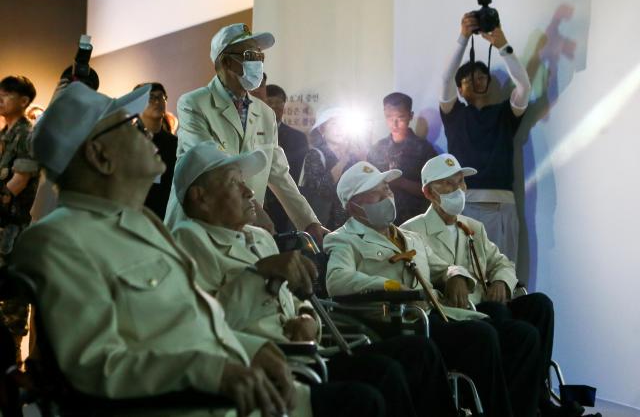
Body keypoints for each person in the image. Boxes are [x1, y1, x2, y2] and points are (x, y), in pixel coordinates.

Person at [11, 82, 384, 417]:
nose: (148, 133)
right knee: (367, 399)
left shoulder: (144, 225)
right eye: (133, 126)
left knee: (377, 390)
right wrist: (215, 371)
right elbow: (93, 366)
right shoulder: (59, 240)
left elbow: (192, 326)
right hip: (202, 403)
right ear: (99, 155)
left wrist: (251, 349)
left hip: (248, 393)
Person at [171, 141, 459, 417]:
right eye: (234, 183)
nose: (249, 191)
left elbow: (299, 300)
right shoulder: (188, 241)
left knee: (417, 352)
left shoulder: (259, 238)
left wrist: (308, 318)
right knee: (379, 382)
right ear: (201, 197)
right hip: (268, 363)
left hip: (309, 349)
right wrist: (257, 275)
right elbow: (206, 325)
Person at [324, 161, 546, 417]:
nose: (387, 195)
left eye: (387, 188)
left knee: (521, 335)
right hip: (397, 322)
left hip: (432, 315)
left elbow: (441, 267)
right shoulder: (344, 238)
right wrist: (387, 286)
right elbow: (337, 280)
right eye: (376, 192)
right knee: (481, 336)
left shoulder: (408, 238)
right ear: (354, 204)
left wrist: (455, 274)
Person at [401, 153, 578, 417]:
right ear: (428, 192)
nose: (458, 189)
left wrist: (501, 282)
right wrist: (455, 274)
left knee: (540, 304)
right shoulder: (412, 231)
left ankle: (537, 395)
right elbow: (430, 270)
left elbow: (502, 262)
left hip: (487, 305)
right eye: (448, 184)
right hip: (458, 314)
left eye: (461, 182)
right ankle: (522, 407)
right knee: (515, 328)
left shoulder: (473, 227)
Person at [164, 23, 327, 244]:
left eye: (260, 56)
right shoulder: (194, 103)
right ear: (226, 61)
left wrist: (309, 222)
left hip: (244, 226)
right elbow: (212, 166)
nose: (258, 62)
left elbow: (278, 172)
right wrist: (255, 210)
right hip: (199, 224)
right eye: (250, 55)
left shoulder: (265, 113)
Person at [440, 13, 532, 262]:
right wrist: (462, 38)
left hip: (503, 204)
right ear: (459, 89)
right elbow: (445, 79)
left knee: (503, 277)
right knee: (464, 277)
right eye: (468, 79)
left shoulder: (504, 112)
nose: (475, 81)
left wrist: (502, 45)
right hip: (463, 202)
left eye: (481, 77)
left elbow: (524, 87)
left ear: (489, 83)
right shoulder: (454, 114)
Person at [0, 75, 39, 363]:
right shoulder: (5, 133)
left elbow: (20, 180)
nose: (1, 98)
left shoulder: (26, 134)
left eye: (8, 94)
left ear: (24, 101)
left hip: (12, 229)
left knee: (12, 302)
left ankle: (14, 368)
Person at [367, 92, 437, 224]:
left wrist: (402, 183)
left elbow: (435, 190)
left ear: (410, 116)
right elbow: (367, 186)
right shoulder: (377, 149)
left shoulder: (424, 149)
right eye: (389, 117)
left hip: (416, 220)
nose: (395, 123)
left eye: (401, 117)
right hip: (382, 221)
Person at [297, 108, 359, 230]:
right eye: (334, 124)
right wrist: (343, 160)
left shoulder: (353, 156)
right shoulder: (315, 154)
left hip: (349, 224)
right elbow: (323, 189)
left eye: (343, 124)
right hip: (322, 224)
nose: (340, 129)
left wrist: (361, 157)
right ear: (322, 129)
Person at [262, 83, 309, 233]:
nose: (275, 107)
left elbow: (296, 173)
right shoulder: (253, 131)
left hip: (284, 203)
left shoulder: (298, 138)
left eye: (279, 103)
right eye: (270, 102)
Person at [133, 82, 177, 219]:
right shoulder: (128, 139)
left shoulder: (174, 143)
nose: (157, 101)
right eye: (151, 97)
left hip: (166, 214)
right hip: (136, 213)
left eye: (161, 97)